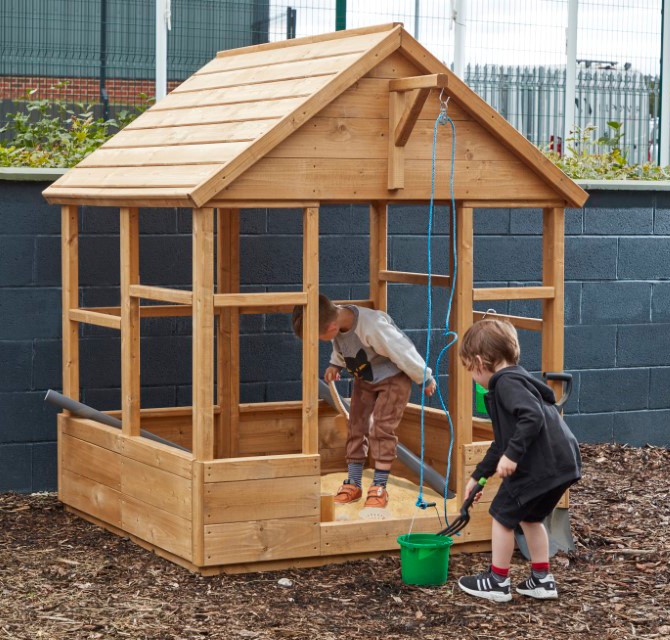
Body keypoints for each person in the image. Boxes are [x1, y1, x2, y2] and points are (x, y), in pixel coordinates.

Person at [456, 319, 581, 602]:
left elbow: (531, 417)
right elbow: (501, 442)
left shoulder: (506, 383)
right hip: (562, 464)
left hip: (538, 466)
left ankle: (497, 581)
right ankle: (541, 579)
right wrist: (478, 477)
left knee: (501, 516)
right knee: (530, 517)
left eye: (469, 370)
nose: (472, 378)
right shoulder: (519, 380)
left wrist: (512, 455)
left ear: (479, 362)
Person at [292, 294, 436, 511]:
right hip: (365, 379)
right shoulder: (337, 322)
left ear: (330, 327)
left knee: (382, 428)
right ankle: (354, 483)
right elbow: (342, 348)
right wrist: (335, 365)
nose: (322, 341)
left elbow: (403, 350)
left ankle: (379, 486)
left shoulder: (373, 326)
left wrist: (424, 377)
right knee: (356, 426)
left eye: (319, 337)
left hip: (393, 379)